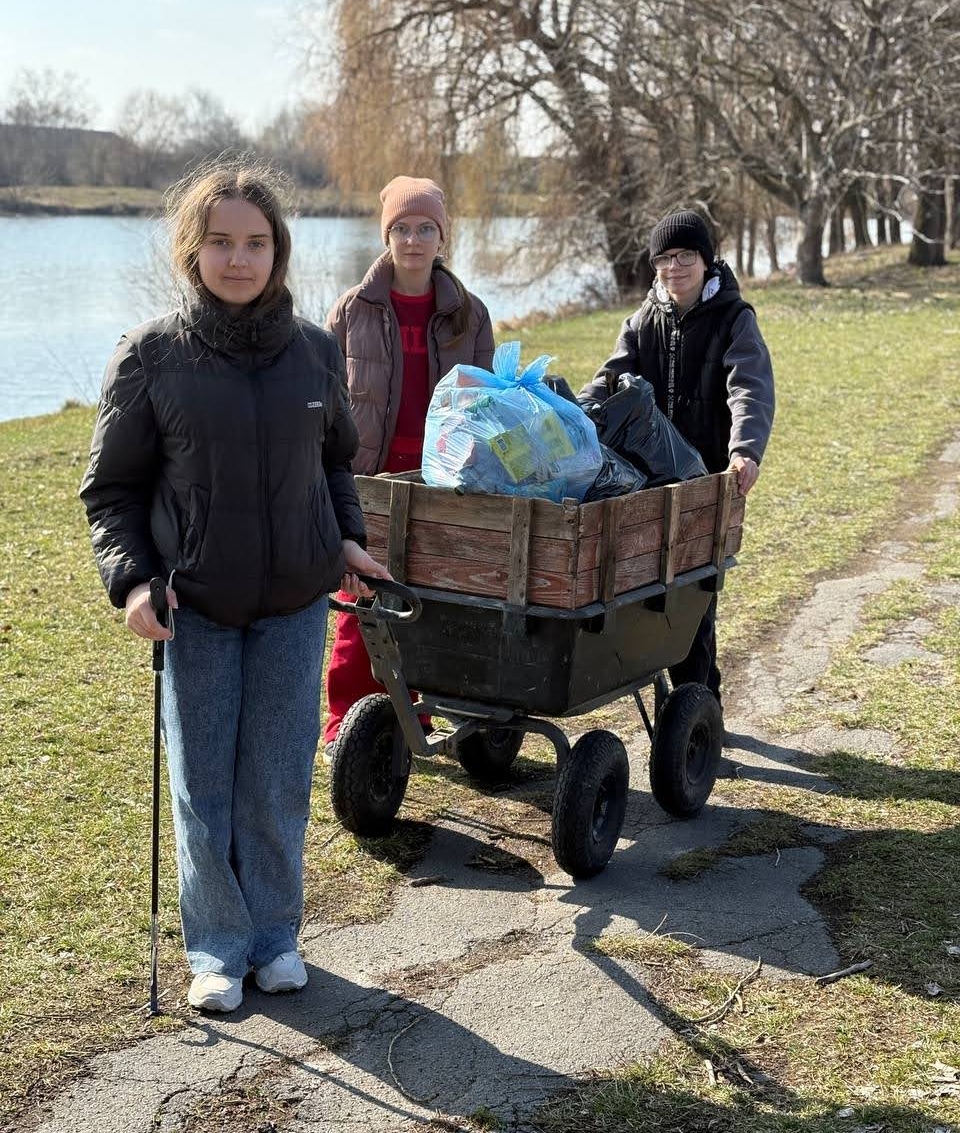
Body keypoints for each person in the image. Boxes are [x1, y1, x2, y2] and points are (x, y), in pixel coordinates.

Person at [79, 157, 390, 1014]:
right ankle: (217, 949)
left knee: (279, 780)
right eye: (221, 242)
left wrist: (349, 540)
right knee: (204, 786)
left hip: (296, 605)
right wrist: (135, 582)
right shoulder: (150, 358)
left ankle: (274, 938)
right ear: (192, 248)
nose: (239, 259)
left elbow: (334, 463)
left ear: (279, 252)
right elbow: (110, 491)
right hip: (198, 610)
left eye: (256, 243)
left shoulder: (318, 356)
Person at [322, 175, 495, 755]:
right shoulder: (352, 310)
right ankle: (345, 722)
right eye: (401, 228)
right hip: (367, 475)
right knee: (362, 598)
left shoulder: (469, 314)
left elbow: (485, 402)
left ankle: (415, 715)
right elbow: (326, 400)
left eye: (425, 229)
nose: (414, 240)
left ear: (442, 237)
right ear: (386, 235)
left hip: (441, 477)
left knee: (429, 599)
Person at [579, 209, 775, 713]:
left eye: (686, 256)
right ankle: (686, 707)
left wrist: (743, 452)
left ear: (707, 261)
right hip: (644, 486)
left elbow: (749, 389)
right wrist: (569, 418)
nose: (674, 268)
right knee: (651, 596)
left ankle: (699, 713)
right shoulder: (643, 321)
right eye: (664, 259)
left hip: (706, 481)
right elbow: (607, 380)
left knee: (694, 601)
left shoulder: (734, 320)